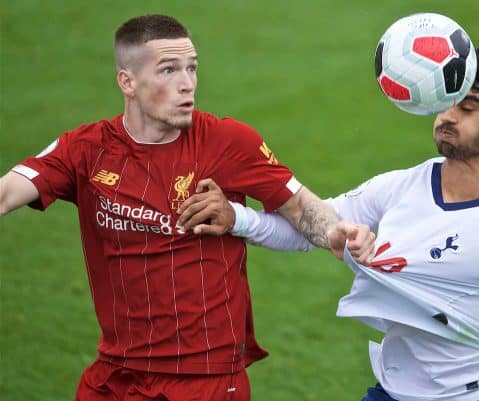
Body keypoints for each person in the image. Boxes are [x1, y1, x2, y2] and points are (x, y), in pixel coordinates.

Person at [0, 14, 373, 401]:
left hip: (204, 380)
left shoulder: (226, 141)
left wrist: (335, 231)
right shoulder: (87, 150)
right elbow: (7, 193)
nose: (187, 83)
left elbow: (299, 207)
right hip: (115, 375)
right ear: (127, 82)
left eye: (191, 68)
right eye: (168, 70)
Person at [177, 47, 479, 400]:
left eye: (467, 108)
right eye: (447, 101)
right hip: (392, 390)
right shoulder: (401, 186)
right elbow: (308, 230)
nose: (447, 116)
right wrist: (236, 218)